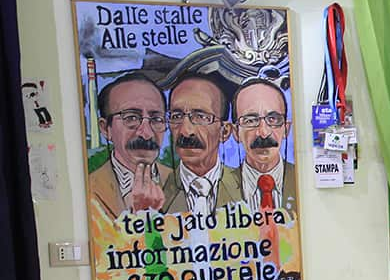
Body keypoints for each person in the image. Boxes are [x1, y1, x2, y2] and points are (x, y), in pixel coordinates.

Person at [85, 72, 170, 217]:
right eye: (131, 118)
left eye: (156, 119)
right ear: (105, 128)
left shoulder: (179, 183)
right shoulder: (88, 190)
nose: (146, 133)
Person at [161, 73, 243, 215]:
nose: (186, 131)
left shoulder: (247, 188)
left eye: (201, 117)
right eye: (177, 116)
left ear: (225, 131)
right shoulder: (157, 192)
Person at [231, 78, 297, 216]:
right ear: (236, 132)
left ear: (286, 128)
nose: (263, 132)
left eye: (273, 119)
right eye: (250, 120)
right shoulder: (217, 187)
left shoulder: (303, 181)